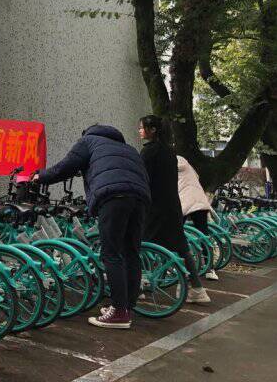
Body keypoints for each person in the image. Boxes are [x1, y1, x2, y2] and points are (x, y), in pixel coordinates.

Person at [34, 124, 151, 329]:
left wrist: (40, 177)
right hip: (139, 198)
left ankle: (119, 312)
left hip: (113, 197)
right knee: (131, 253)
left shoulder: (88, 141)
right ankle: (126, 307)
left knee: (111, 253)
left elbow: (66, 166)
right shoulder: (128, 148)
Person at [139, 115, 211, 304]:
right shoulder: (170, 152)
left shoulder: (149, 152)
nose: (140, 131)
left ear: (152, 129)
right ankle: (198, 289)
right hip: (172, 206)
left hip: (154, 208)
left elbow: (142, 179)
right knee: (181, 247)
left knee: (137, 244)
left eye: (142, 127)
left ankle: (136, 286)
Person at [177, 155, 218, 280]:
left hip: (184, 201)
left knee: (176, 233)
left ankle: (178, 266)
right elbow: (197, 176)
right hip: (199, 200)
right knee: (203, 234)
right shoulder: (187, 164)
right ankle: (210, 269)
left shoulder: (169, 163)